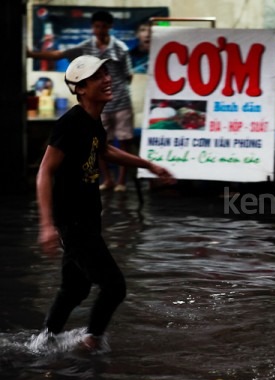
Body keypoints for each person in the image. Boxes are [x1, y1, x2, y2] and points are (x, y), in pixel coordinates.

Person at [36, 55, 176, 350]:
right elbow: (45, 172)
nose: (108, 79)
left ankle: (43, 342)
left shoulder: (92, 122)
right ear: (81, 88)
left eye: (106, 73)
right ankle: (92, 341)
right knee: (115, 287)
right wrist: (47, 225)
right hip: (73, 221)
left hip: (87, 219)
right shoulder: (70, 124)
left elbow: (106, 152)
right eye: (98, 76)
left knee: (75, 289)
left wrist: (148, 165)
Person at [28, 10, 135, 192]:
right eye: (96, 26)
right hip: (102, 107)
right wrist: (31, 54)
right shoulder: (85, 47)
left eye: (103, 26)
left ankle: (122, 181)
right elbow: (57, 54)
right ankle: (108, 179)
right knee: (100, 144)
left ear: (110, 27)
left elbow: (128, 75)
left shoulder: (121, 48)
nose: (100, 30)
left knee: (125, 141)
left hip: (121, 103)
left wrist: (114, 90)